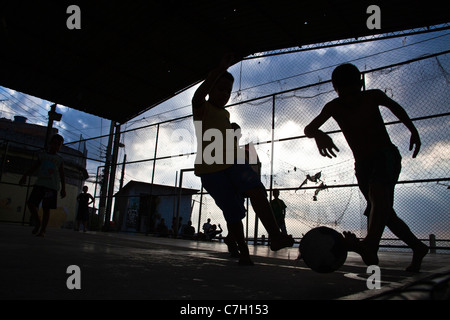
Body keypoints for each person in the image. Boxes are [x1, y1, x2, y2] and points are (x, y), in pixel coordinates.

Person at [304, 63, 428, 272]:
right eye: (344, 94)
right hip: (362, 165)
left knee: (378, 192)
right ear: (336, 89)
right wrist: (318, 134)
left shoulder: (372, 96)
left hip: (385, 155)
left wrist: (413, 130)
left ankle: (371, 245)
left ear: (360, 85)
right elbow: (309, 128)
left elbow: (395, 107)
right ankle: (418, 247)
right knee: (385, 213)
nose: (350, 99)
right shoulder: (334, 106)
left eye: (353, 92)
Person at [192, 53, 294, 265]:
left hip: (232, 161)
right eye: (220, 89)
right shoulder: (203, 109)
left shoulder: (227, 115)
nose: (225, 94)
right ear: (210, 88)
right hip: (210, 170)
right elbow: (197, 97)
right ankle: (243, 252)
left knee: (257, 189)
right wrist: (216, 73)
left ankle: (274, 235)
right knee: (234, 213)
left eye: (228, 91)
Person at [19, 134, 66, 237]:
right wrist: (25, 176)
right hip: (40, 184)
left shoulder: (59, 160)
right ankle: (38, 221)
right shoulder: (43, 156)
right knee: (31, 204)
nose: (56, 146)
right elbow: (34, 167)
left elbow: (62, 175)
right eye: (54, 144)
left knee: (46, 208)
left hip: (51, 187)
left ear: (60, 147)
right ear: (50, 144)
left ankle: (43, 230)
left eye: (58, 145)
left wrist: (63, 188)